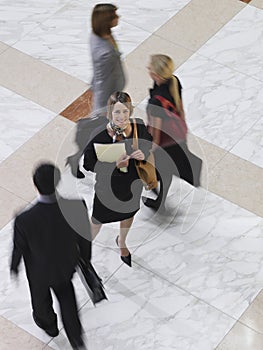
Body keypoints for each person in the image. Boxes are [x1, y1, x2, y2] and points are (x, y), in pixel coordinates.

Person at [10, 163, 91, 350]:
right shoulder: (76, 207)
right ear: (58, 181)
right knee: (67, 298)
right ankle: (76, 340)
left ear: (35, 184)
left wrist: (14, 266)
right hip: (65, 265)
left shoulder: (25, 219)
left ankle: (49, 325)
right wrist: (85, 258)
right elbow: (84, 237)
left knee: (40, 300)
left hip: (38, 270)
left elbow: (19, 248)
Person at [83, 91, 152, 267]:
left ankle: (122, 242)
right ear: (109, 113)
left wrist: (143, 153)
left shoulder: (139, 127)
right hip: (107, 187)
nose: (121, 117)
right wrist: (114, 165)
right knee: (97, 219)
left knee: (128, 214)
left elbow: (148, 144)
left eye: (125, 112)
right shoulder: (98, 135)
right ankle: (83, 248)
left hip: (132, 185)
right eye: (117, 112)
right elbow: (89, 164)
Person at [143, 54, 201, 213]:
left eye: (150, 67)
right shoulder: (174, 81)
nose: (147, 68)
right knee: (167, 169)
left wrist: (150, 150)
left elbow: (156, 134)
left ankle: (158, 199)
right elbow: (180, 110)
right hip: (177, 135)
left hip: (164, 142)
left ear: (156, 75)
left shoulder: (155, 102)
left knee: (161, 170)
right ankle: (158, 196)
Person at [90, 3, 126, 114]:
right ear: (107, 21)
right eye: (115, 16)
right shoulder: (105, 53)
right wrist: (103, 108)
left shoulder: (102, 34)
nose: (118, 17)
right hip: (108, 97)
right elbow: (104, 83)